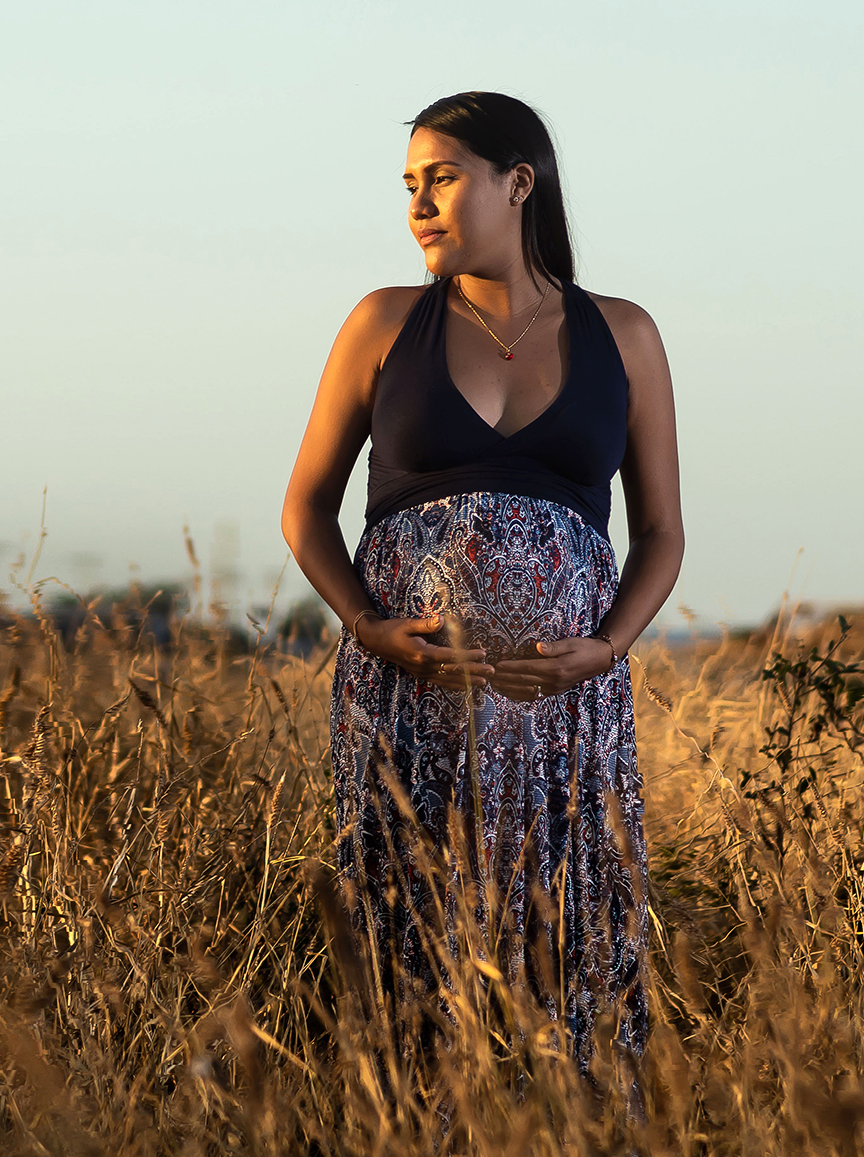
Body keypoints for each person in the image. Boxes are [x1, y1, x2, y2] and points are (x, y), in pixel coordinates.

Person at [280, 91, 683, 1074]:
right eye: (410, 185)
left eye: (444, 177)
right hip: (407, 699)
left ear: (519, 182)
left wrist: (608, 645)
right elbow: (306, 509)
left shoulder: (622, 334)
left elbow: (663, 532)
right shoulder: (383, 322)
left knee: (562, 939)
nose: (419, 203)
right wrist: (367, 625)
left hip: (563, 714)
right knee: (409, 932)